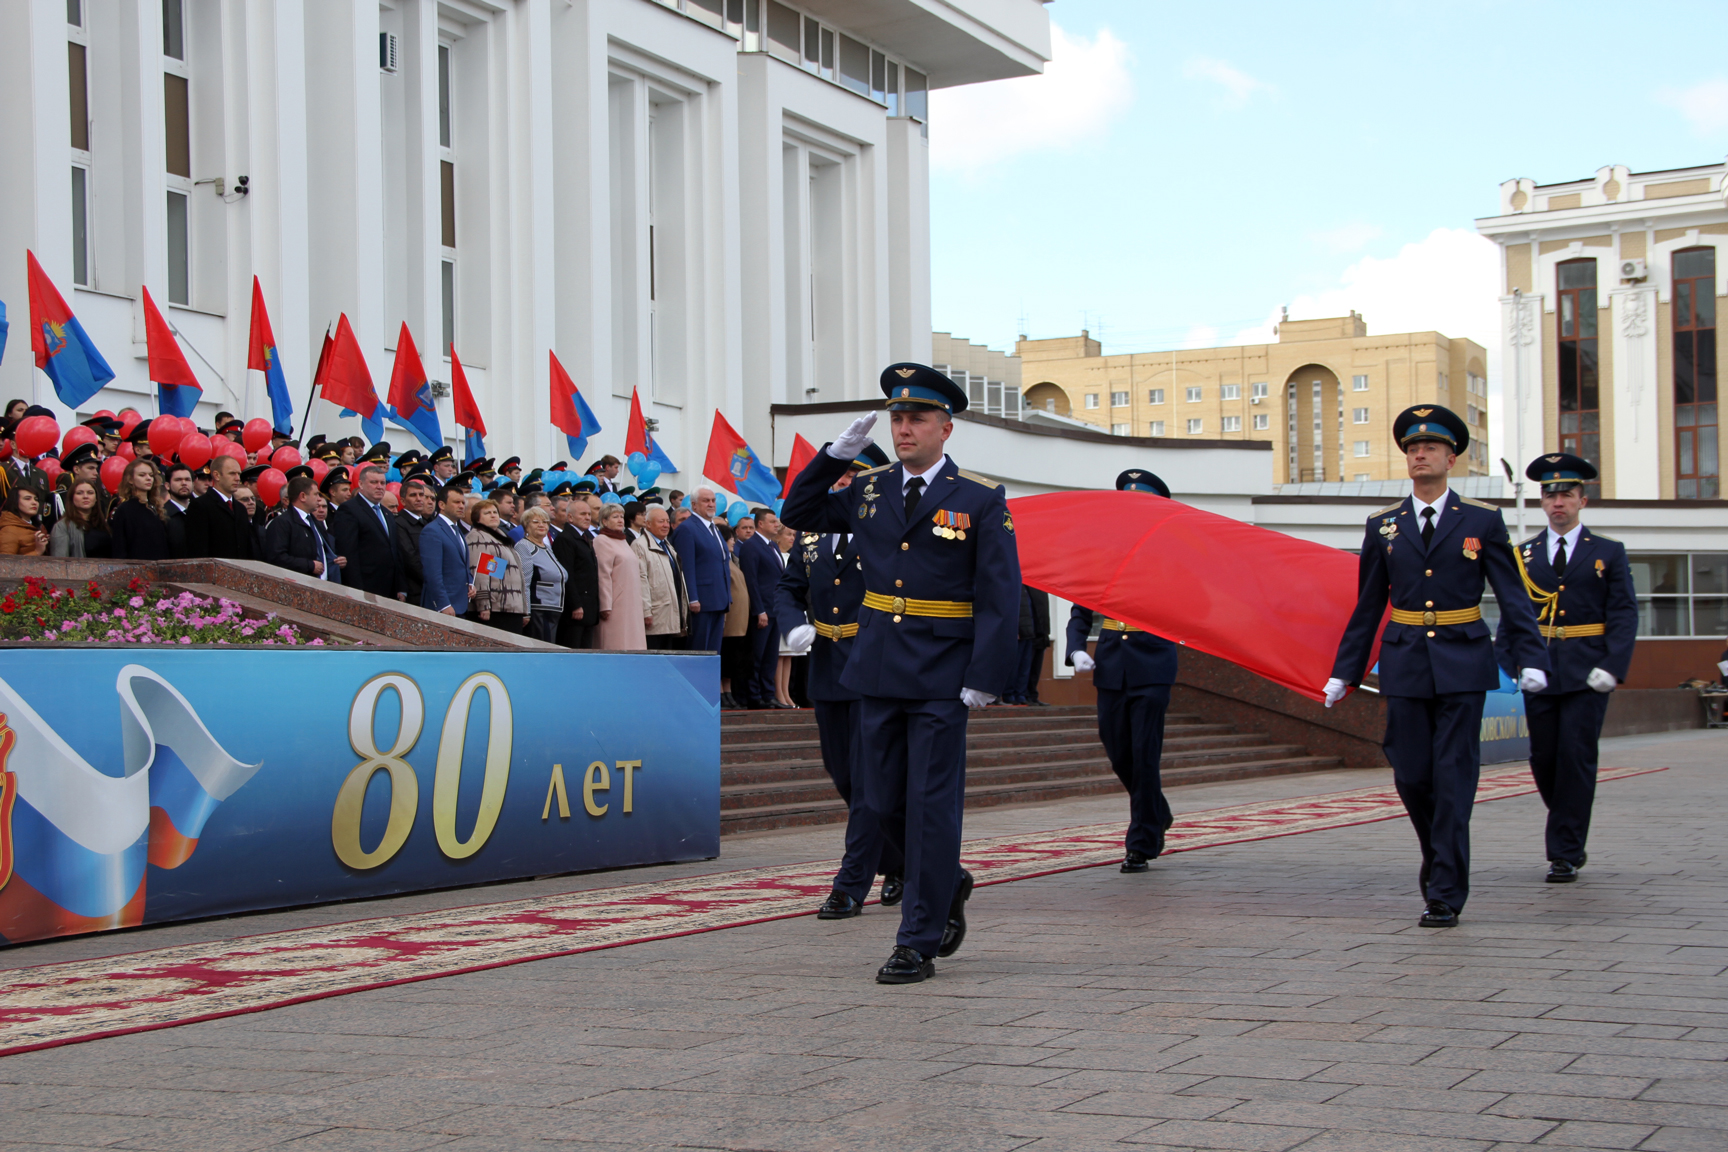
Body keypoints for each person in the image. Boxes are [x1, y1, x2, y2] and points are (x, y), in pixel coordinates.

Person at [782, 363, 1021, 984]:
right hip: (877, 666)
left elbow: (1001, 592)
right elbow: (801, 509)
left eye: (916, 418)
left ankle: (916, 938)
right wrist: (838, 454)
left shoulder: (979, 497)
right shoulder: (870, 488)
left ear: (946, 427)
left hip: (944, 672)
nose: (903, 427)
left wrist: (985, 673)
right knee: (880, 800)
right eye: (896, 417)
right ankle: (948, 882)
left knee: (930, 805)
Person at [1326, 404, 1549, 929]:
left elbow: (1513, 598)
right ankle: (1438, 855)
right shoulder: (1383, 525)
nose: (1418, 454)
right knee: (1412, 774)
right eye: (1410, 448)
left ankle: (1445, 889)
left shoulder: (1482, 521)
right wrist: (1347, 670)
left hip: (1463, 660)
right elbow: (1367, 606)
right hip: (1404, 661)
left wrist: (1532, 659)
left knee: (1453, 776)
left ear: (1452, 457)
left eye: (1429, 447)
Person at [1496, 453, 1637, 884]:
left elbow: (1624, 613)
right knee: (1544, 759)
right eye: (1550, 495)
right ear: (1542, 502)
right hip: (1541, 671)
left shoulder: (1607, 553)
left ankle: (1564, 851)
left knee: (1576, 758)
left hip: (1586, 672)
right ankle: (1567, 822)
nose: (1558, 502)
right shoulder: (1524, 554)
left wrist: (1612, 666)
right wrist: (1514, 665)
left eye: (1566, 495)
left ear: (1582, 501)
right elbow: (1513, 614)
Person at [778, 441, 905, 918]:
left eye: (855, 479)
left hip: (874, 664)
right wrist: (793, 624)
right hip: (828, 664)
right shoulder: (812, 537)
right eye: (841, 477)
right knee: (845, 775)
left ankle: (850, 884)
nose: (844, 485)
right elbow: (789, 588)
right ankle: (899, 861)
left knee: (871, 779)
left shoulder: (886, 531)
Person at [1065, 470, 1182, 871]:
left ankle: (1142, 842)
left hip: (1152, 663)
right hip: (1112, 663)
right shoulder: (1106, 552)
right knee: (1119, 752)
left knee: (1145, 755)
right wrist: (1076, 648)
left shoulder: (1172, 552)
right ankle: (1157, 809)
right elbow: (1080, 607)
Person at [671, 486, 733, 652]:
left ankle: (708, 679)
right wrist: (692, 598)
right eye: (706, 501)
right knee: (699, 649)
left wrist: (727, 595)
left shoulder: (714, 528)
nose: (711, 504)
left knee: (713, 651)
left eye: (713, 500)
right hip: (701, 600)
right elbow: (687, 567)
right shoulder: (687, 529)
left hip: (718, 598)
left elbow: (722, 562)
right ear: (694, 505)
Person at [331, 464, 405, 600]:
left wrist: (401, 587)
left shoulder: (387, 514)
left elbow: (395, 551)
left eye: (383, 483)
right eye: (373, 482)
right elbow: (348, 552)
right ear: (361, 484)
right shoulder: (349, 510)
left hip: (390, 589)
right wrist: (357, 590)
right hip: (365, 588)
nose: (379, 486)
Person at [733, 510, 781, 707]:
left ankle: (768, 694)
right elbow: (751, 581)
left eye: (776, 521)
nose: (776, 524)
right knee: (757, 656)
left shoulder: (773, 546)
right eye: (772, 521)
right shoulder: (752, 546)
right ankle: (754, 696)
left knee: (771, 657)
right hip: (761, 612)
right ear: (760, 524)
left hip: (776, 609)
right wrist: (759, 610)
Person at [466, 498, 529, 631]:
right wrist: (484, 605)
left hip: (509, 607)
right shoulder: (479, 537)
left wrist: (523, 608)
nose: (493, 515)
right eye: (487, 513)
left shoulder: (499, 537)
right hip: (496, 609)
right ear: (477, 518)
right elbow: (482, 574)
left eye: (495, 512)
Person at [265, 475, 343, 582]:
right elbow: (276, 558)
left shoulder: (316, 523)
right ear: (302, 496)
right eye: (315, 494)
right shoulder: (282, 523)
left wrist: (336, 560)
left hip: (324, 586)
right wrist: (309, 565)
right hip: (299, 586)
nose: (319, 498)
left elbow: (324, 551)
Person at [594, 502, 648, 649]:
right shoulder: (602, 541)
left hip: (631, 602)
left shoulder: (623, 541)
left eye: (621, 517)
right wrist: (605, 605)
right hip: (615, 604)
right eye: (615, 517)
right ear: (604, 521)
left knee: (632, 643)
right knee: (617, 643)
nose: (620, 520)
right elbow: (603, 574)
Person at [634, 504, 689, 649]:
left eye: (666, 521)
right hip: (655, 615)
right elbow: (641, 580)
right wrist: (646, 611)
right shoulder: (640, 546)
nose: (665, 525)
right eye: (660, 521)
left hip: (669, 614)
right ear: (648, 524)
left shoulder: (668, 545)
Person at [184, 454, 258, 560]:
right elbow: (197, 549)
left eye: (238, 474)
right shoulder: (201, 505)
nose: (237, 478)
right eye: (232, 474)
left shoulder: (240, 508)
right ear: (217, 475)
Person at [553, 495, 600, 648]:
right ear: (570, 517)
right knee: (572, 647)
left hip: (588, 607)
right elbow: (567, 574)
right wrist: (575, 604)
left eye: (589, 514)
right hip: (575, 610)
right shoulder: (566, 539)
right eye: (583, 514)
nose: (587, 517)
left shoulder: (585, 538)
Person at [515, 506, 567, 643]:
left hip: (554, 609)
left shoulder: (547, 548)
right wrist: (526, 611)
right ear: (526, 525)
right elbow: (523, 581)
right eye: (536, 522)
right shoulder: (524, 546)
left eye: (545, 522)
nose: (541, 525)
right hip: (539, 609)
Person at [420, 484, 473, 616]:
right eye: (456, 502)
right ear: (442, 505)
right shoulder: (433, 531)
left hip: (460, 604)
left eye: (463, 503)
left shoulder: (457, 530)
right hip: (444, 607)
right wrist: (443, 604)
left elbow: (460, 564)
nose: (461, 506)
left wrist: (470, 582)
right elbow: (432, 573)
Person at [110, 459, 171, 560]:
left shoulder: (155, 507)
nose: (148, 478)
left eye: (151, 475)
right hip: (136, 570)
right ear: (130, 479)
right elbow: (119, 548)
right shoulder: (124, 509)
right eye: (142, 475)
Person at [720, 525, 753, 708]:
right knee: (725, 657)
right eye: (731, 538)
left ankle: (729, 691)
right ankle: (721, 692)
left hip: (739, 621)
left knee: (734, 659)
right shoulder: (722, 560)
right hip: (730, 619)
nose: (733, 541)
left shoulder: (732, 559)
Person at [49, 479, 112, 558]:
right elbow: (59, 562)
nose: (85, 496)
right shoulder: (62, 526)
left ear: (96, 498)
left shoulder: (103, 524)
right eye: (79, 493)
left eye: (90, 493)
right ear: (72, 498)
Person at [773, 523, 800, 707]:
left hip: (795, 608)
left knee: (788, 654)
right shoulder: (776, 554)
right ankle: (778, 693)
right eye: (789, 534)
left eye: (794, 535)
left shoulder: (793, 557)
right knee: (779, 653)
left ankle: (786, 692)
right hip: (779, 608)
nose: (792, 538)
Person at [395, 476, 434, 605]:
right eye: (413, 495)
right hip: (414, 590)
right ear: (403, 501)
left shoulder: (427, 523)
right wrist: (432, 579)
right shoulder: (399, 523)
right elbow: (410, 558)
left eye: (421, 495)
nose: (419, 499)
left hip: (429, 588)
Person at [0, 486, 49, 555]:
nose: (34, 502)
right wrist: (37, 551)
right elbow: (5, 563)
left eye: (36, 499)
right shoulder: (9, 530)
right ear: (15, 502)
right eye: (27, 499)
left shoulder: (39, 526)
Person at [162, 462, 194, 558]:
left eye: (187, 480)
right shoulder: (162, 516)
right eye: (178, 480)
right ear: (167, 485)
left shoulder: (200, 512)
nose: (184, 483)